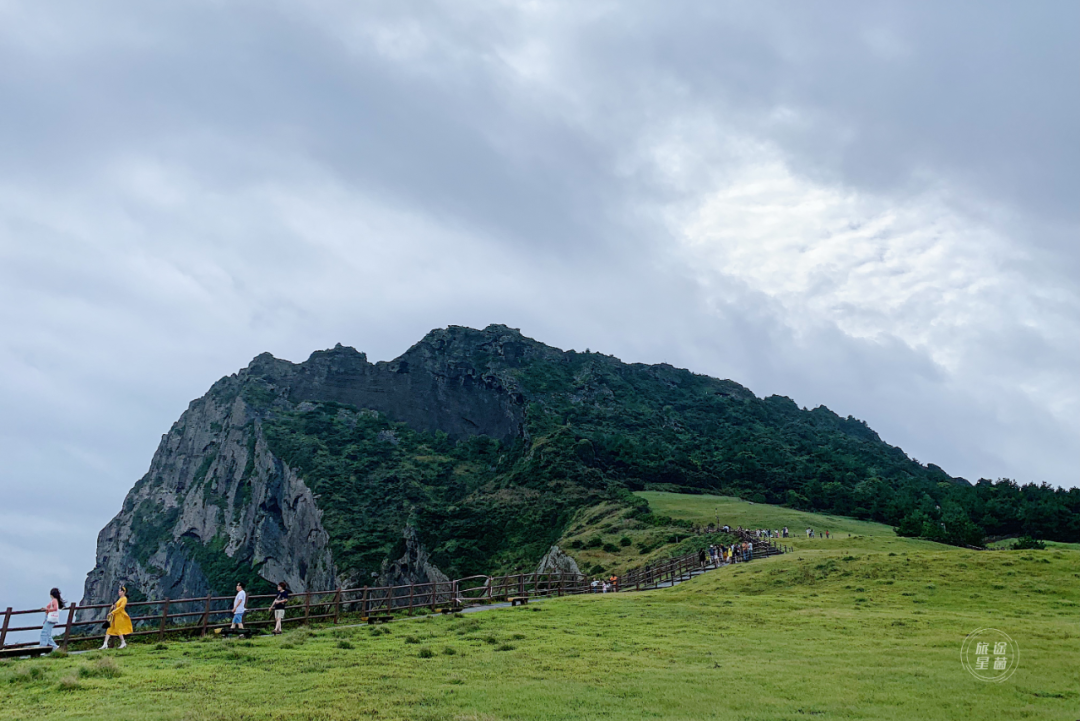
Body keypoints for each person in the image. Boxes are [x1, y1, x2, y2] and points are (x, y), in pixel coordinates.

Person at [101, 585, 132, 649]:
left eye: (120, 591)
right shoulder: (120, 599)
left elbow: (121, 607)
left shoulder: (124, 599)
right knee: (109, 629)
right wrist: (113, 608)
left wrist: (112, 612)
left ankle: (123, 642)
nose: (119, 592)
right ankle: (105, 644)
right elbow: (117, 606)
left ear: (123, 592)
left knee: (118, 629)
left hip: (120, 616)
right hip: (115, 616)